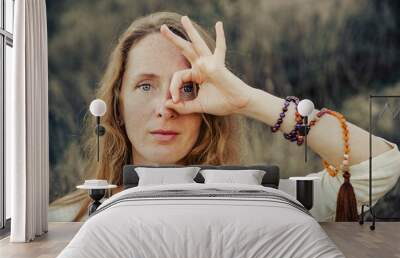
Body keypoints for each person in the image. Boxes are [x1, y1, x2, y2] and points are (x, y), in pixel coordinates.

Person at [49, 11, 400, 222]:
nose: (165, 106)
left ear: (208, 115)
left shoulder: (261, 203)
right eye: (145, 86)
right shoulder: (63, 220)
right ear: (118, 107)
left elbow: (379, 165)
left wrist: (247, 100)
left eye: (187, 88)